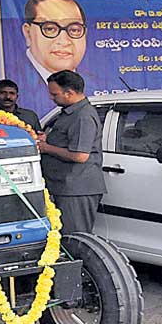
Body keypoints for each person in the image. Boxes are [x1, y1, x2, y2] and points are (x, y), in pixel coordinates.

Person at [37, 70, 105, 233]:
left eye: (54, 94)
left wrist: (46, 148)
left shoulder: (83, 116)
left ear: (69, 93)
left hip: (76, 188)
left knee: (74, 236)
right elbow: (67, 140)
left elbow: (80, 155)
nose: (51, 98)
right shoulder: (70, 112)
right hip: (63, 186)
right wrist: (48, 139)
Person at [21, 0, 87, 83]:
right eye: (50, 29)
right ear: (28, 33)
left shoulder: (98, 85)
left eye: (74, 30)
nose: (64, 42)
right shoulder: (11, 79)